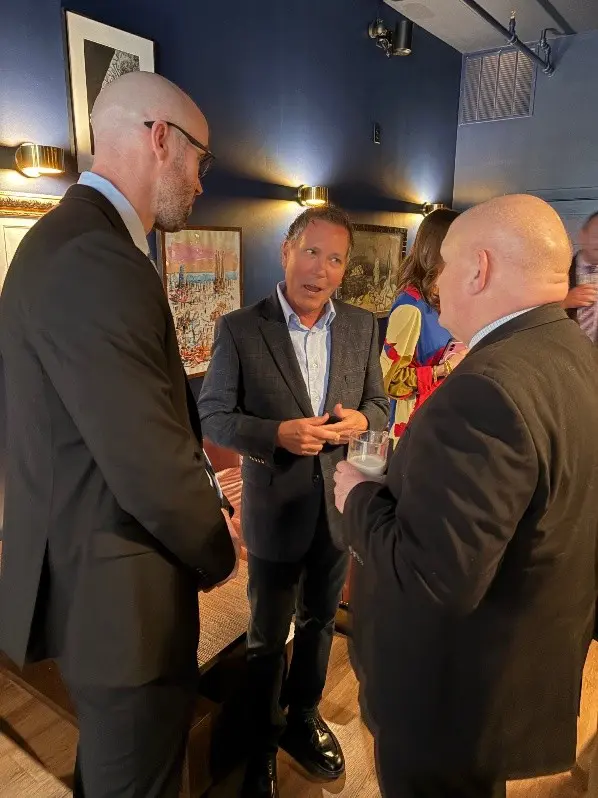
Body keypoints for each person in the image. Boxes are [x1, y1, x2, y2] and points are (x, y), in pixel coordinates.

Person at [0, 71, 238, 798]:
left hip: (91, 580)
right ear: (160, 138)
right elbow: (147, 459)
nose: (201, 180)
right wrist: (219, 547)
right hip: (121, 604)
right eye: (201, 158)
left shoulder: (69, 242)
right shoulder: (96, 255)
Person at [333, 194, 598, 798]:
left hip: (446, 695)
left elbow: (434, 577)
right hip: (504, 668)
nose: (435, 283)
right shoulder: (569, 350)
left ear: (479, 268)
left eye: (444, 266)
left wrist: (359, 497)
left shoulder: (488, 389)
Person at [198, 205, 389, 798]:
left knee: (318, 622)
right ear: (287, 250)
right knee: (265, 634)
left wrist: (365, 417)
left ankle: (303, 719)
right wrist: (275, 435)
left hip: (338, 508)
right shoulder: (240, 328)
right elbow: (213, 415)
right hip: (274, 509)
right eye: (312, 253)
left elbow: (380, 406)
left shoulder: (361, 325)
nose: (321, 270)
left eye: (335, 259)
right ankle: (262, 741)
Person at [381, 208, 464, 441]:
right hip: (411, 429)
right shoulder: (411, 307)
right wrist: (446, 368)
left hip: (439, 418)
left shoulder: (443, 301)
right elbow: (390, 382)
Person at [564, 210, 598, 343]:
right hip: (567, 355)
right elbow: (536, 314)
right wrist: (564, 303)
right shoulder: (560, 271)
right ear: (583, 236)